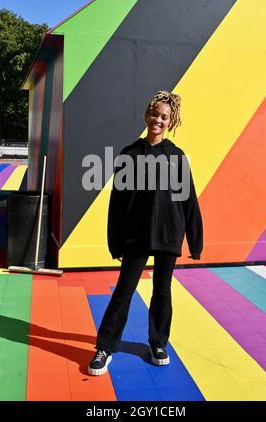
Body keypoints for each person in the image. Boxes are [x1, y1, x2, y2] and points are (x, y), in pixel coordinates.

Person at [88, 90, 203, 376]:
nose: (158, 120)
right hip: (136, 236)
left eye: (164, 117)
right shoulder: (130, 153)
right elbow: (117, 203)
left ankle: (158, 343)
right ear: (146, 116)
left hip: (168, 233)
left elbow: (189, 200)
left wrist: (195, 240)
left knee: (162, 291)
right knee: (124, 291)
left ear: (171, 121)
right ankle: (105, 347)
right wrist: (115, 241)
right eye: (155, 114)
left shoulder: (177, 157)